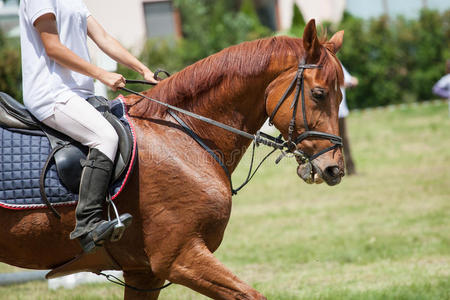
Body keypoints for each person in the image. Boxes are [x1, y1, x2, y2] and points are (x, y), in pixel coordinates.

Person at [19, 0, 157, 252]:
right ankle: (87, 223)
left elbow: (102, 36)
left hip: (79, 94)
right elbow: (52, 47)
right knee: (105, 137)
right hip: (51, 93)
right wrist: (101, 74)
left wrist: (143, 70)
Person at [338, 63, 358, 176]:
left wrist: (352, 81)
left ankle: (350, 169)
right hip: (329, 112)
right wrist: (348, 83)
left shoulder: (337, 63)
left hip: (341, 111)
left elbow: (351, 79)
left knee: (344, 140)